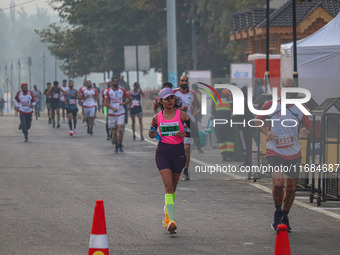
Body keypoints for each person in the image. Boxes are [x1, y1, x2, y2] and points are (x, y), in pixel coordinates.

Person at [254, 78, 312, 232]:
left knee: (291, 188)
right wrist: (267, 132)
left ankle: (285, 216)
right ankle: (278, 211)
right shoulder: (271, 105)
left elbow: (310, 126)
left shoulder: (301, 108)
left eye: (292, 88)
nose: (289, 91)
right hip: (275, 151)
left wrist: (306, 131)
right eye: (287, 87)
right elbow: (257, 120)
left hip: (293, 152)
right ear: (282, 88)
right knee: (278, 184)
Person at [149, 88, 190, 234]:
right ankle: (171, 220)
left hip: (178, 153)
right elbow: (151, 132)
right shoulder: (156, 117)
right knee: (168, 187)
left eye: (172, 98)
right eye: (167, 98)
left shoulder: (182, 115)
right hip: (163, 153)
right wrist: (153, 134)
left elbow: (194, 132)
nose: (170, 100)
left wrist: (184, 133)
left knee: (173, 188)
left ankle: (167, 212)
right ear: (161, 101)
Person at [174, 75, 202, 181]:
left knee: (187, 147)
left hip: (188, 123)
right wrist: (180, 109)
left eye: (186, 81)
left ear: (188, 82)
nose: (184, 82)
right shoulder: (174, 93)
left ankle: (185, 170)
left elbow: (194, 107)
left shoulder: (192, 94)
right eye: (182, 81)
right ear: (179, 82)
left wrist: (194, 116)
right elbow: (169, 107)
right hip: (176, 123)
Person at [105, 77, 132, 153]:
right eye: (114, 81)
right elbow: (105, 103)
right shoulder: (108, 91)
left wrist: (124, 103)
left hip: (121, 112)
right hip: (112, 113)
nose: (115, 83)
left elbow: (129, 98)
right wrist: (112, 108)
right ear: (112, 82)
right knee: (114, 132)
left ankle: (120, 144)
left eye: (117, 81)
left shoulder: (122, 90)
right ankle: (116, 145)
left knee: (120, 129)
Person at [212, 89, 234, 161]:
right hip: (227, 123)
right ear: (228, 95)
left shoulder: (217, 102)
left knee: (221, 141)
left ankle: (223, 156)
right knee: (229, 140)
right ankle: (230, 156)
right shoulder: (230, 102)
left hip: (218, 124)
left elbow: (213, 113)